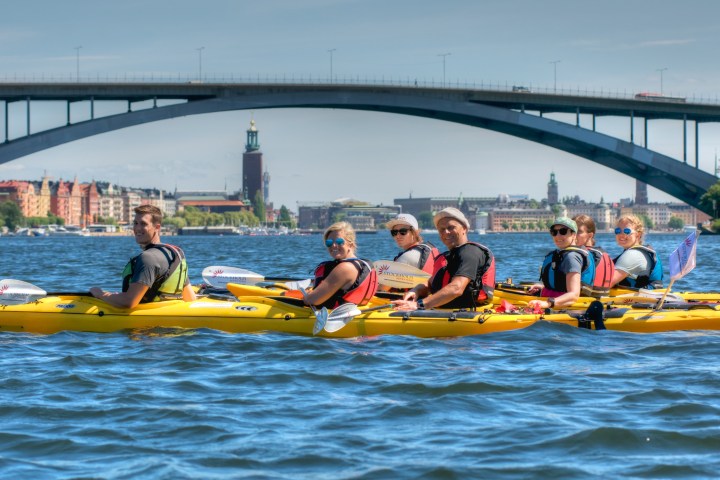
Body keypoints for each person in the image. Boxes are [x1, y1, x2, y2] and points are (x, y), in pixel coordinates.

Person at [90, 205, 196, 308]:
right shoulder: (176, 253)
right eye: (135, 223)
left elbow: (129, 302)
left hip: (149, 325)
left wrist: (100, 294)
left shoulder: (147, 258)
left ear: (157, 227)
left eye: (143, 224)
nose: (137, 228)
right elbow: (190, 297)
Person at [393, 207, 495, 311]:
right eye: (441, 229)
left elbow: (456, 288)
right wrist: (416, 291)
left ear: (464, 228)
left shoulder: (470, 252)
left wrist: (419, 305)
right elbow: (429, 284)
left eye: (451, 227)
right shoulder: (447, 256)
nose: (446, 232)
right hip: (443, 310)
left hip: (467, 313)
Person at [302, 221, 378, 309]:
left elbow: (312, 300)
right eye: (329, 242)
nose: (333, 245)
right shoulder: (359, 265)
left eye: (339, 241)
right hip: (351, 311)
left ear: (350, 244)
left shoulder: (344, 268)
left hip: (334, 316)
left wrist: (307, 296)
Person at [528, 217, 594, 310]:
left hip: (572, 307)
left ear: (574, 234)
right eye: (554, 232)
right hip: (560, 301)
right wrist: (543, 288)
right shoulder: (565, 254)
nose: (557, 236)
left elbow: (574, 295)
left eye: (563, 231)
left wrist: (547, 304)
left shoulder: (572, 258)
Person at [611, 214, 663, 289]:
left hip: (640, 300)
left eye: (627, 231)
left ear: (638, 235)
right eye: (618, 231)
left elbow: (606, 284)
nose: (621, 235)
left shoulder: (633, 255)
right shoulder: (639, 252)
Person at [572, 214, 615, 297]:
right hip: (602, 302)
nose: (573, 235)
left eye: (578, 232)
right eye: (572, 231)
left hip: (580, 302)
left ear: (590, 235)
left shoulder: (578, 255)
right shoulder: (605, 255)